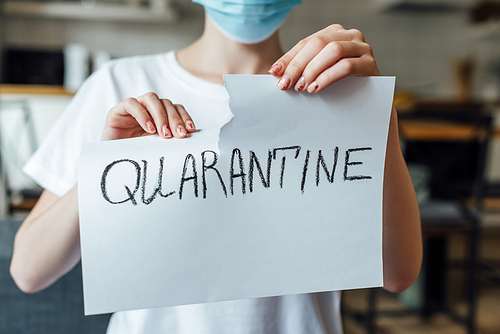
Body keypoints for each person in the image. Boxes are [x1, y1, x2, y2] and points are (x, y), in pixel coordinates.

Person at [10, 0, 422, 333]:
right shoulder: (118, 84)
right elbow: (29, 271)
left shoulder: (340, 93)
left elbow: (397, 274)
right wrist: (108, 170)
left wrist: (374, 115)